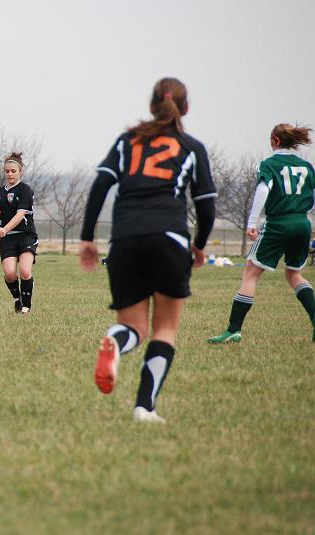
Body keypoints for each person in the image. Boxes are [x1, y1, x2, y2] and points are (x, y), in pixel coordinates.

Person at [79, 78, 217, 423]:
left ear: (152, 104)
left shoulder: (127, 141)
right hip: (170, 238)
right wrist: (199, 246)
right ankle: (144, 407)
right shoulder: (191, 146)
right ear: (185, 108)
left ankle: (115, 340)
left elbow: (100, 185)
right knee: (164, 329)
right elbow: (206, 205)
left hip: (125, 240)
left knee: (133, 328)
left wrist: (86, 239)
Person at [207, 124, 315, 344]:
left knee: (250, 274)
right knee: (294, 274)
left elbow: (263, 189)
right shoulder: (306, 166)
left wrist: (252, 222)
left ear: (274, 140)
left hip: (279, 223)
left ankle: (233, 330)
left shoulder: (269, 164)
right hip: (302, 222)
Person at [0, 152, 38, 313]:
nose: (10, 174)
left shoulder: (26, 190)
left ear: (20, 171)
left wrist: (4, 229)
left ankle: (26, 307)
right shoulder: (0, 192)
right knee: (10, 273)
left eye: (13, 171)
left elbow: (20, 215)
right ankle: (17, 299)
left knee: (25, 272)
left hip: (26, 235)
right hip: (8, 240)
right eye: (7, 171)